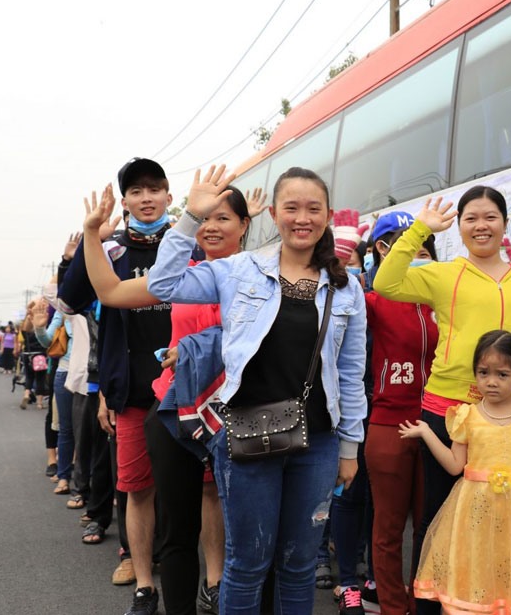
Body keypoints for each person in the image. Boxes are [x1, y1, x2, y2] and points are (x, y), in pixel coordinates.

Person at [148, 165, 368, 615]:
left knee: (300, 563)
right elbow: (162, 284)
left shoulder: (346, 287)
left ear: (327, 216)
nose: (302, 218)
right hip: (246, 434)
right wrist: (190, 216)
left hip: (320, 443)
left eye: (313, 209)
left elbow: (350, 373)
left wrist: (350, 447)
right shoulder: (237, 271)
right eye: (291, 207)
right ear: (273, 213)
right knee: (247, 563)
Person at [372, 185, 511, 615]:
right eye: (471, 218)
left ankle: (490, 605)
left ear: (504, 224)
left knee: (504, 523)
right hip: (446, 412)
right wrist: (420, 228)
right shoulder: (443, 274)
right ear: (459, 226)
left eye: (490, 217)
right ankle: (431, 607)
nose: (481, 225)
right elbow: (386, 281)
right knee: (435, 520)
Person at [81, 180, 261, 615]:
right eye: (205, 219)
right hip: (177, 411)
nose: (212, 228)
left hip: (239, 412)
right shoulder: (188, 276)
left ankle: (220, 590)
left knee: (242, 525)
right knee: (177, 529)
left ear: (244, 224)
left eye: (224, 218)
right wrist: (90, 233)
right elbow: (110, 292)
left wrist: (202, 345)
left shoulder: (261, 273)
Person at [58, 157, 173, 615]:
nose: (146, 198)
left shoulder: (186, 244)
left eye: (155, 189)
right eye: (136, 191)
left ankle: (207, 577)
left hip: (188, 393)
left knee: (203, 491)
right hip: (130, 393)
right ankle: (143, 579)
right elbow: (68, 301)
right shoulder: (111, 250)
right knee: (136, 487)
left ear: (169, 196)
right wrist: (91, 235)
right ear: (123, 201)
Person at [398, 330, 511, 614]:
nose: (491, 382)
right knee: (469, 580)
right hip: (472, 516)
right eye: (483, 372)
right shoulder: (467, 416)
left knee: (507, 582)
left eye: (502, 374)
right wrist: (427, 433)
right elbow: (455, 465)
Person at [361, 211, 438, 615]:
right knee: (389, 529)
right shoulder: (374, 301)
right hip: (390, 424)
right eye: (405, 242)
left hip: (439, 426)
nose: (417, 249)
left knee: (430, 527)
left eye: (423, 243)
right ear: (382, 249)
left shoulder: (442, 299)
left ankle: (422, 602)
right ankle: (392, 606)